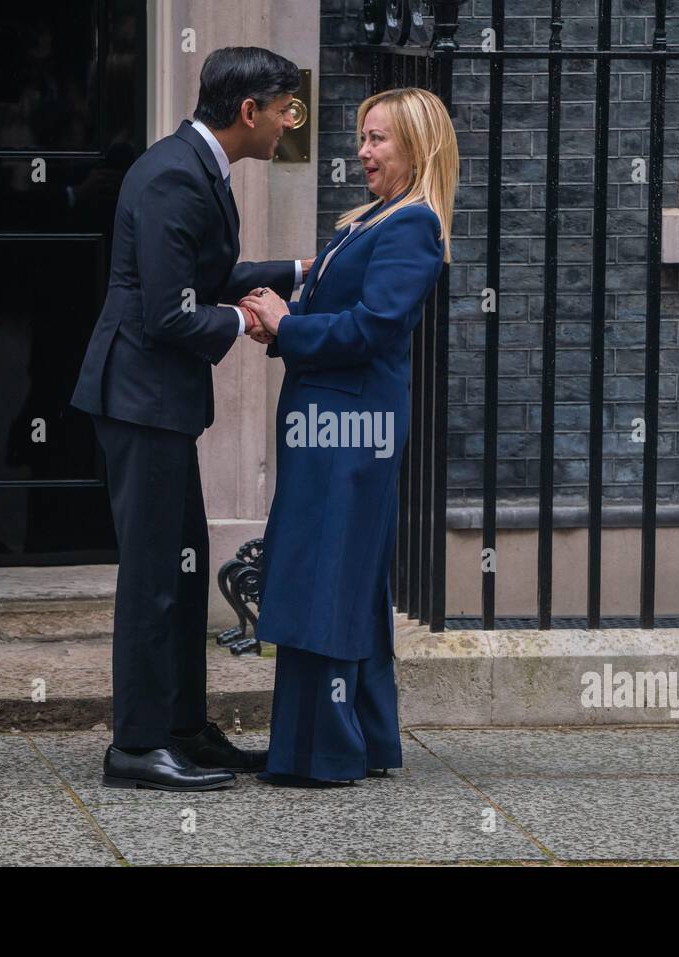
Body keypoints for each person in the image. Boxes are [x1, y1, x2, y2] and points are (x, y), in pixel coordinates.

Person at [70, 47, 315, 791]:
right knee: (152, 577)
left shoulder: (193, 165)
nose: (288, 125)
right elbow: (171, 314)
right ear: (250, 112)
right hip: (139, 400)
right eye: (285, 110)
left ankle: (181, 728)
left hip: (157, 405)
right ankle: (138, 746)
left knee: (181, 565)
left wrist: (302, 272)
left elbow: (204, 277)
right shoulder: (177, 174)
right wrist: (247, 322)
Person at [239, 87, 459, 787]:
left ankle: (320, 752)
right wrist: (285, 311)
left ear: (417, 147)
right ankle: (361, 740)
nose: (361, 152)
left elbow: (375, 328)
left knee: (324, 577)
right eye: (362, 138)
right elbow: (341, 307)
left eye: (378, 140)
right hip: (329, 427)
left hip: (350, 433)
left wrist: (287, 325)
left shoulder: (411, 225)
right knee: (345, 581)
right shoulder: (371, 220)